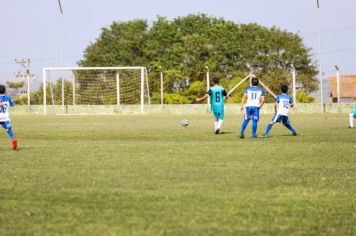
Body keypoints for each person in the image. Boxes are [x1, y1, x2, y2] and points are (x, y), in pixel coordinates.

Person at [0, 85, 17, 150]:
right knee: (8, 130)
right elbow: (13, 104)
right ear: (4, 91)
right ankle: (14, 140)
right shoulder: (8, 98)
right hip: (5, 117)